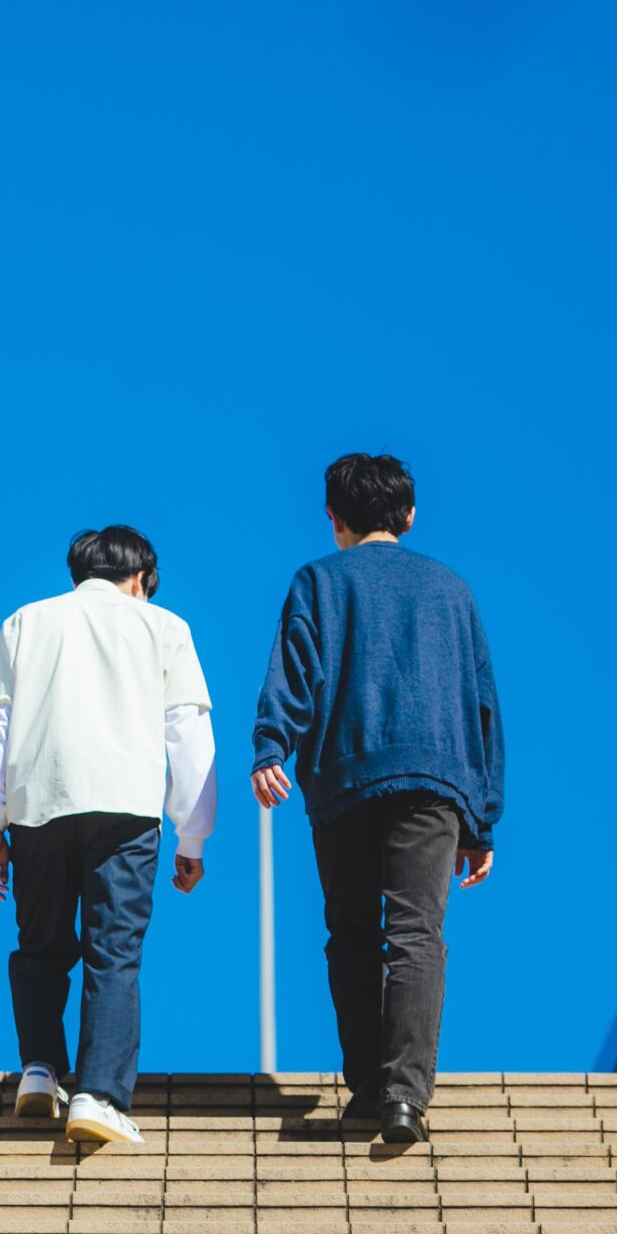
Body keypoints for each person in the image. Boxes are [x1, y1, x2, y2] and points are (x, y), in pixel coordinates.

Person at [251, 453, 504, 1146]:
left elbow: (296, 668)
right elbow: (481, 703)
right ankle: (404, 1096)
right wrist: (482, 815)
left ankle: (367, 1086)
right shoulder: (452, 589)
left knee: (353, 934)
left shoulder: (319, 581)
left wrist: (271, 747)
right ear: (410, 514)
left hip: (347, 776)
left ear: (334, 518)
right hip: (436, 778)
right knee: (417, 932)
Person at [0, 526, 217, 1145]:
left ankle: (39, 1069)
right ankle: (99, 1094)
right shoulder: (163, 627)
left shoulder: (25, 622)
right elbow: (188, 736)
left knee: (41, 944)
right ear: (140, 578)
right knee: (112, 952)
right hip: (126, 808)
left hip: (39, 802)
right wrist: (192, 838)